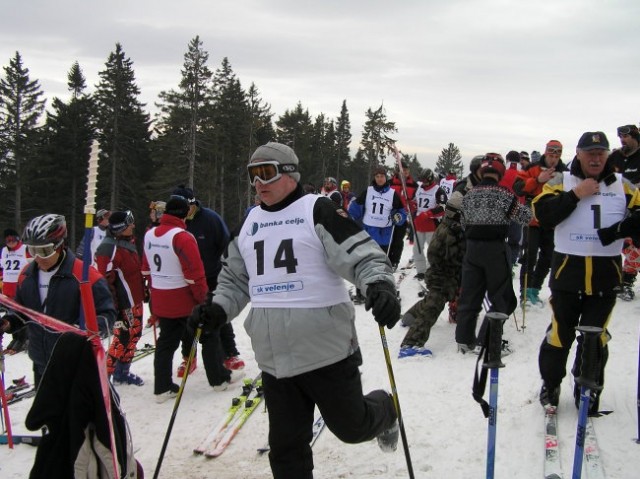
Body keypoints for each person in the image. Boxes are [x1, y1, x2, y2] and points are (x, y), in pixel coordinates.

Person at [189, 142, 400, 479]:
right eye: (252, 176)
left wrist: (379, 285)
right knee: (286, 451)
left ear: (290, 173)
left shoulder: (316, 210)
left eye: (267, 172)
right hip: (275, 359)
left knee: (352, 427)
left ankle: (386, 410)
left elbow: (363, 255)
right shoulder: (249, 222)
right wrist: (217, 309)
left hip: (326, 352)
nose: (259, 183)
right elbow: (234, 278)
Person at [533, 131, 640, 414]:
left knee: (596, 337)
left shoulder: (623, 185)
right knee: (560, 335)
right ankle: (551, 383)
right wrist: (575, 195)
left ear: (608, 156)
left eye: (600, 153)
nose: (595, 158)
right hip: (568, 273)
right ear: (578, 154)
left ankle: (588, 388)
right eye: (590, 153)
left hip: (606, 276)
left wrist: (622, 230)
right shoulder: (562, 180)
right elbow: (543, 215)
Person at [0, 214, 116, 387]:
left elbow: (107, 315)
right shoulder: (27, 275)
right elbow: (22, 311)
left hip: (76, 365)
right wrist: (8, 322)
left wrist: (85, 330)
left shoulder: (85, 276)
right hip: (41, 363)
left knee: (77, 414)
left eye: (44, 250)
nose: (38, 257)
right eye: (32, 250)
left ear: (60, 245)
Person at [142, 196, 238, 403]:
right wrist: (204, 300)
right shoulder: (182, 237)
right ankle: (219, 380)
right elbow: (195, 274)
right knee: (209, 336)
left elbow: (146, 269)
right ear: (185, 213)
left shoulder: (149, 234)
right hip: (183, 299)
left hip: (161, 299)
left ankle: (161, 387)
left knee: (166, 343)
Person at [455, 154, 532, 353]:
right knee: (502, 297)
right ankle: (488, 340)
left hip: (471, 248)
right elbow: (525, 217)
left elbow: (462, 222)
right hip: (495, 249)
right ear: (500, 172)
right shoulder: (504, 193)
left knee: (470, 294)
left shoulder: (469, 194)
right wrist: (527, 201)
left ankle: (464, 339)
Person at [171, 185, 245, 374]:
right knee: (190, 318)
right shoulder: (175, 223)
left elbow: (227, 244)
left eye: (186, 207)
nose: (184, 212)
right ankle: (189, 357)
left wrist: (227, 269)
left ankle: (230, 353)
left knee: (218, 314)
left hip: (212, 276)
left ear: (193, 204)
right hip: (186, 280)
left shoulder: (210, 219)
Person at [398, 192, 465, 357]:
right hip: (442, 276)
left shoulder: (455, 227)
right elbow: (436, 254)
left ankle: (411, 316)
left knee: (431, 301)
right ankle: (411, 344)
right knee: (433, 306)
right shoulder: (448, 231)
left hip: (449, 275)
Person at [95, 210, 146, 386]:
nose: (133, 225)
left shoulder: (128, 242)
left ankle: (122, 372)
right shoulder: (108, 248)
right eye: (129, 222)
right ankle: (103, 377)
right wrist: (114, 312)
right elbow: (103, 281)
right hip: (123, 305)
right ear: (120, 227)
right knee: (122, 338)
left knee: (135, 335)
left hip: (135, 300)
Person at [515, 140, 569, 306]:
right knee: (530, 256)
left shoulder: (565, 172)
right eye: (551, 154)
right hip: (532, 219)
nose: (553, 158)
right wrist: (537, 179)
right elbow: (518, 187)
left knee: (548, 257)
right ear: (545, 153)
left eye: (557, 155)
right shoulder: (532, 168)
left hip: (553, 221)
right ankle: (525, 292)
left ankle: (534, 289)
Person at [349, 166, 406, 302]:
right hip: (368, 234)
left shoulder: (393, 194)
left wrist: (399, 217)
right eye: (377, 176)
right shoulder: (367, 192)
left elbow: (401, 212)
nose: (380, 179)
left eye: (382, 176)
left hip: (384, 235)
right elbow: (355, 208)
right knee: (364, 264)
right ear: (374, 178)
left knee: (382, 266)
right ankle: (362, 291)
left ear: (386, 177)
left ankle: (384, 291)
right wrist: (349, 216)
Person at [608, 124, 640, 300]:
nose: (622, 140)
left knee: (635, 246)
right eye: (620, 136)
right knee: (621, 244)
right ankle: (618, 280)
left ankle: (626, 281)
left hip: (637, 207)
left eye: (626, 136)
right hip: (616, 206)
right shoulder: (615, 157)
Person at [412, 168, 447, 280]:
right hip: (419, 225)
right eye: (422, 180)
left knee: (433, 250)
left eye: (426, 180)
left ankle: (434, 270)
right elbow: (414, 202)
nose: (424, 183)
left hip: (432, 225)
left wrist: (429, 213)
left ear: (431, 179)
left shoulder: (438, 190)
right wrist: (413, 206)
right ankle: (421, 271)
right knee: (417, 249)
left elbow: (443, 208)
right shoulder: (419, 189)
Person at [1, 228, 32, 354]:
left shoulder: (25, 249)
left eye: (13, 239)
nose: (10, 242)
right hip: (8, 288)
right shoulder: (4, 251)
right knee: (10, 315)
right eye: (7, 240)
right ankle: (15, 339)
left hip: (21, 287)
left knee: (20, 314)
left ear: (18, 239)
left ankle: (23, 340)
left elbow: (33, 265)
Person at [389, 159, 418, 269]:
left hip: (403, 216)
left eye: (406, 170)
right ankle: (387, 259)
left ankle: (395, 261)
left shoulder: (413, 185)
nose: (404, 172)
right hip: (390, 215)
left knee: (398, 239)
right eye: (402, 170)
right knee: (389, 239)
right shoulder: (390, 183)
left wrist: (412, 206)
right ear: (397, 171)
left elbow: (416, 201)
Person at [501, 151, 527, 268]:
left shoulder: (502, 173)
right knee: (514, 241)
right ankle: (510, 265)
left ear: (507, 160)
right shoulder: (524, 174)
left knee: (499, 239)